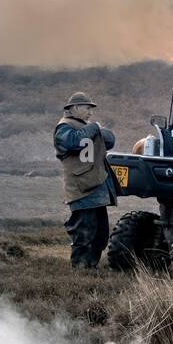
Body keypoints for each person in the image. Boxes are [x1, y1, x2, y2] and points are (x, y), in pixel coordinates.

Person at [54, 92, 117, 269]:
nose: (90, 112)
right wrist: (94, 128)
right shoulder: (64, 127)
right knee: (83, 233)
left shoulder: (85, 127)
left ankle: (90, 268)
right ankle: (81, 270)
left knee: (100, 233)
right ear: (74, 108)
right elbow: (71, 142)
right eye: (87, 108)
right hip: (81, 188)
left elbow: (110, 141)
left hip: (95, 187)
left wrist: (96, 129)